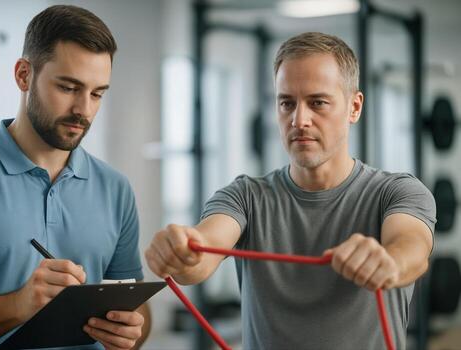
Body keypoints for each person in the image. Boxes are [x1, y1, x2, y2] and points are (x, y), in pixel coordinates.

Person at [145, 32, 436, 350]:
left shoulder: (397, 192)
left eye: (317, 103)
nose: (299, 120)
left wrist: (389, 262)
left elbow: (412, 248)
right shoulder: (245, 196)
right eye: (287, 103)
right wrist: (180, 252)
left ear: (354, 107)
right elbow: (202, 252)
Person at [0, 5, 150, 350]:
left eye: (97, 94)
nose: (84, 109)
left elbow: (135, 310)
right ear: (23, 75)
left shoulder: (116, 189)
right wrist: (18, 305)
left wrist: (131, 329)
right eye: (68, 87)